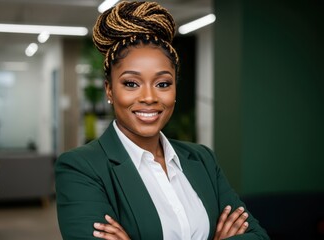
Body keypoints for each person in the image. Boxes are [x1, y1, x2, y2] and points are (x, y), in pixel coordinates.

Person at [55, 1, 270, 239]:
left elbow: (257, 236)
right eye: (131, 83)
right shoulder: (81, 168)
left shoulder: (202, 159)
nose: (149, 97)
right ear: (109, 90)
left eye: (163, 84)